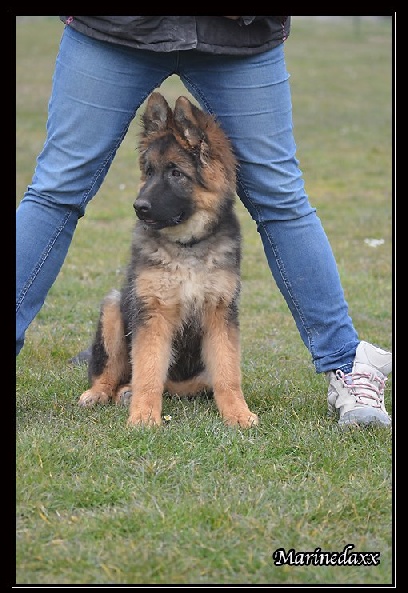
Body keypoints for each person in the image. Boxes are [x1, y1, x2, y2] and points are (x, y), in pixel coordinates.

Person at [16, 16, 392, 427]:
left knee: (282, 199)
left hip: (236, 33)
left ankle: (346, 364)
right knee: (55, 190)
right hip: (117, 25)